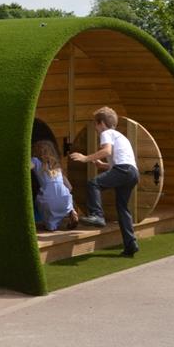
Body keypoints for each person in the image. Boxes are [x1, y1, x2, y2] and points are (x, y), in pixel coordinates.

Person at [68, 107, 140, 257]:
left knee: (93, 183)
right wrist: (103, 165)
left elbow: (107, 151)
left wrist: (85, 158)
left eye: (95, 124)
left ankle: (97, 215)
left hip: (124, 170)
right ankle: (130, 244)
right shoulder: (120, 136)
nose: (95, 128)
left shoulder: (106, 133)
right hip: (132, 173)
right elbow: (121, 161)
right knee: (122, 209)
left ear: (101, 123)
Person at [30, 140, 78, 231]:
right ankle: (72, 211)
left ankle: (51, 225)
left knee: (40, 201)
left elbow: (26, 166)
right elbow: (70, 187)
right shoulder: (57, 165)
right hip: (65, 201)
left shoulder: (35, 161)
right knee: (67, 195)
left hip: (49, 200)